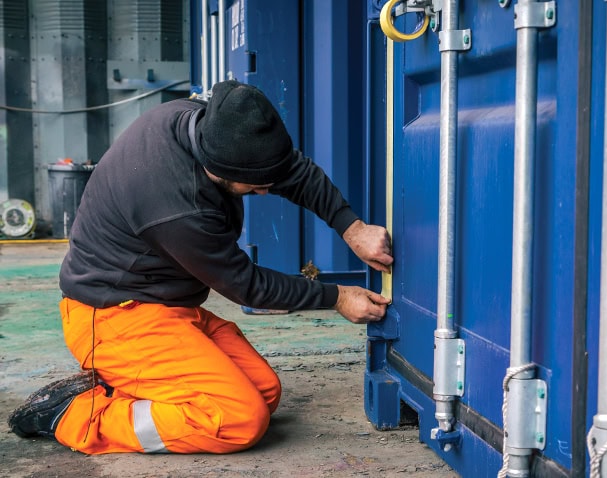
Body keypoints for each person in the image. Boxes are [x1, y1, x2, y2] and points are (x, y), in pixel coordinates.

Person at [8, 80, 393, 454]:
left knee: (264, 392)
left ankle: (128, 384)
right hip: (113, 318)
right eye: (255, 186)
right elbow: (247, 286)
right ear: (217, 170)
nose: (264, 192)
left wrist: (351, 227)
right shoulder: (177, 205)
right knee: (238, 418)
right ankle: (78, 415)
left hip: (165, 306)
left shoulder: (205, 124)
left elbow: (289, 172)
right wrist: (337, 296)